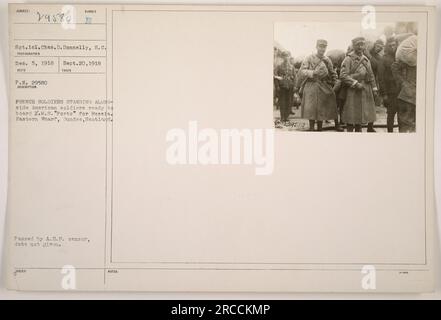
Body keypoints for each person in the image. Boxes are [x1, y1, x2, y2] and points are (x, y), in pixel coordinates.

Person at [297, 39, 338, 131]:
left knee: (322, 108)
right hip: (311, 84)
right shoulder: (309, 58)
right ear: (316, 47)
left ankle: (320, 128)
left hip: (323, 85)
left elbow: (333, 73)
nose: (322, 49)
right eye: (320, 46)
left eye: (324, 47)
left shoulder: (327, 60)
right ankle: (311, 127)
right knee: (310, 107)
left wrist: (335, 82)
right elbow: (302, 71)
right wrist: (313, 72)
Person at [340, 37, 379, 132]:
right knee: (351, 115)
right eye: (358, 45)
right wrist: (355, 83)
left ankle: (359, 132)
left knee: (361, 116)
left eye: (362, 44)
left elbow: (371, 75)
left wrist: (374, 89)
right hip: (353, 91)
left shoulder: (366, 59)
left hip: (365, 90)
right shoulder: (348, 59)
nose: (360, 47)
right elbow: (343, 75)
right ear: (353, 46)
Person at [378, 37, 399, 132]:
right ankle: (390, 134)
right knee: (391, 114)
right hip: (390, 92)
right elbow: (381, 78)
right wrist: (384, 94)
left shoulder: (399, 57)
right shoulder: (384, 59)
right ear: (387, 46)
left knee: (402, 115)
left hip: (401, 91)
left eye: (394, 45)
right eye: (390, 45)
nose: (392, 47)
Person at [391, 58, 416, 133]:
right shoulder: (408, 61)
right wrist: (403, 83)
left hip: (411, 95)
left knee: (411, 123)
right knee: (404, 122)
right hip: (406, 95)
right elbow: (394, 67)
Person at [274, 51, 296, 123]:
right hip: (282, 86)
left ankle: (286, 117)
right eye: (285, 56)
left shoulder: (292, 67)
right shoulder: (279, 66)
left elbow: (295, 77)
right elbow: (275, 77)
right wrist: (277, 86)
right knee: (282, 102)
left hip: (290, 86)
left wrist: (295, 85)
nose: (286, 58)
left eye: (287, 56)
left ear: (289, 57)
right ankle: (282, 117)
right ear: (283, 58)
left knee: (289, 102)